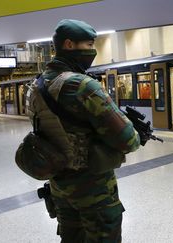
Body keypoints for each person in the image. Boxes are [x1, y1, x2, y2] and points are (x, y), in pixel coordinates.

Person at [30, 19, 140, 242]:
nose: (92, 51)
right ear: (69, 44)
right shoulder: (82, 85)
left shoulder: (37, 85)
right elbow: (129, 141)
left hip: (60, 187)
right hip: (94, 190)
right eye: (89, 45)